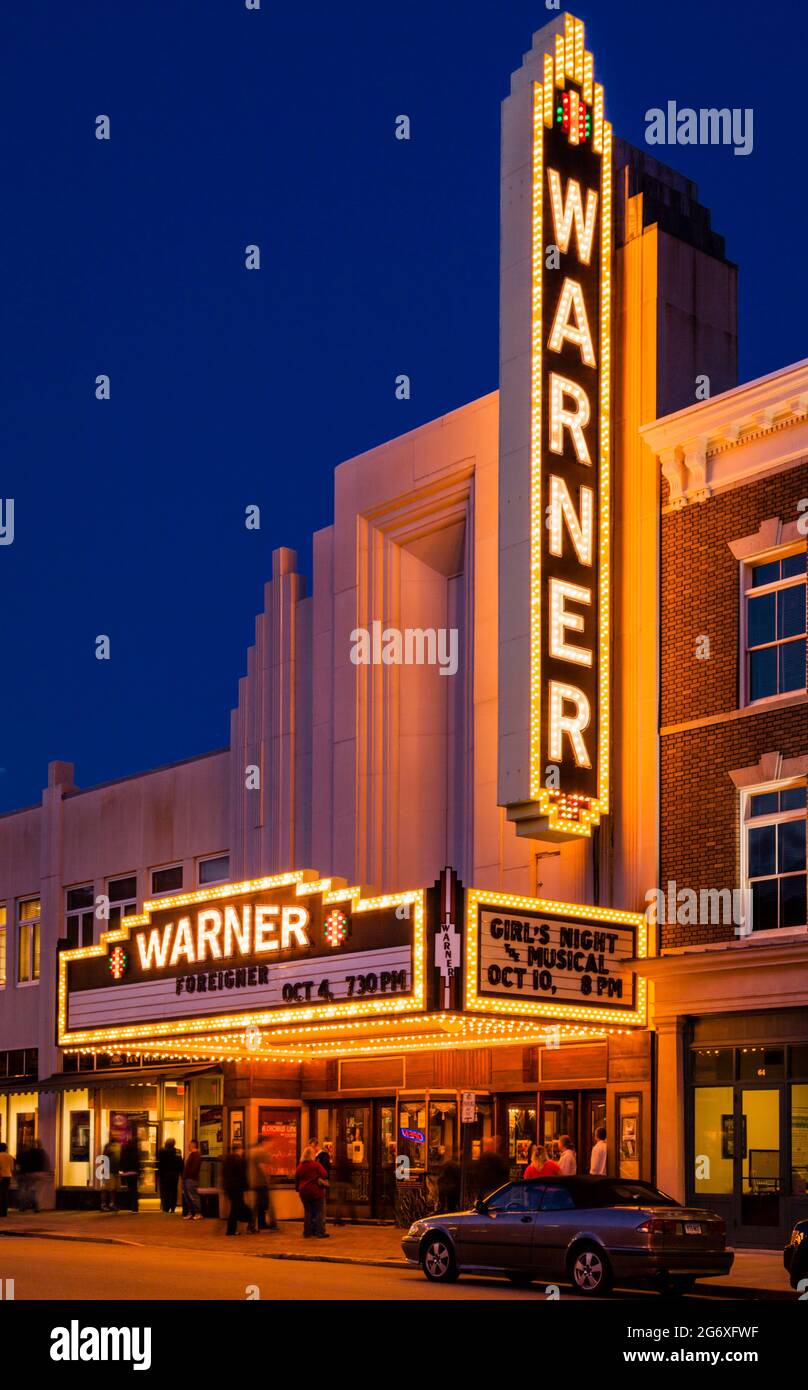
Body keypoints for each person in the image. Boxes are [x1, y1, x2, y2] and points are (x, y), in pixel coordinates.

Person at [294, 1144, 329, 1238]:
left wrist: (298, 1189)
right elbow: (325, 1174)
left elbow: (297, 1179)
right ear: (312, 1155)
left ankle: (307, 1232)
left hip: (304, 1192)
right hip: (315, 1191)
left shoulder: (300, 1166)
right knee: (318, 1212)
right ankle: (320, 1232)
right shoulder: (315, 1165)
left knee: (308, 1212)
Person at [223, 1142, 255, 1236]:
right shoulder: (240, 1160)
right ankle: (232, 1230)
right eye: (241, 1149)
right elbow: (242, 1175)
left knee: (237, 1208)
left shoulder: (227, 1159)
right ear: (238, 1150)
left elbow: (224, 1174)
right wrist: (246, 1187)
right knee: (236, 1209)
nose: (242, 1151)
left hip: (229, 1188)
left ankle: (247, 1224)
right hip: (237, 1188)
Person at [247, 1135, 278, 1231]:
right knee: (266, 1204)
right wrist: (268, 1179)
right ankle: (271, 1224)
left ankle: (260, 1224)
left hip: (254, 1181)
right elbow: (263, 1167)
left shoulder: (252, 1151)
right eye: (270, 1143)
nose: (271, 1145)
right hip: (261, 1182)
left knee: (258, 1204)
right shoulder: (262, 1152)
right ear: (264, 1142)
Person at [472, 1135, 509, 1201]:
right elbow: (504, 1172)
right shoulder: (496, 1158)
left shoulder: (481, 1159)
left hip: (483, 1189)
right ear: (491, 1146)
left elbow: (476, 1174)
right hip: (494, 1189)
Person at [17, 1139, 48, 1212]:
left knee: (27, 1189)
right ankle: (37, 1206)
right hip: (40, 1173)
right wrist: (39, 1143)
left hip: (29, 1174)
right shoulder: (40, 1152)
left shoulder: (27, 1153)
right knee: (39, 1191)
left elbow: (23, 1163)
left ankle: (24, 1204)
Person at [157, 1137, 183, 1213]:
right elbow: (180, 1163)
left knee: (165, 1191)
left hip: (164, 1174)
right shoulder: (178, 1151)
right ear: (174, 1143)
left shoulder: (161, 1151)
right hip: (175, 1174)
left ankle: (165, 1207)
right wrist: (181, 1173)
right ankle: (173, 1207)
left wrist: (159, 1173)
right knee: (174, 1191)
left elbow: (159, 1163)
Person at [119, 1134, 141, 1212]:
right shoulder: (136, 1150)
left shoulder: (124, 1149)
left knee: (130, 1189)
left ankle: (130, 1206)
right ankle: (135, 1207)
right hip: (134, 1172)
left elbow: (122, 1160)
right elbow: (137, 1161)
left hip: (127, 1172)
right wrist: (138, 1170)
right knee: (134, 1189)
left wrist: (122, 1169)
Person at [182, 1139, 203, 1220]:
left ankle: (198, 1213)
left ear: (193, 1145)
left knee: (193, 1196)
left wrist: (188, 1176)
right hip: (187, 1179)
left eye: (189, 1145)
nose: (188, 1146)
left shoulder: (196, 1155)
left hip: (191, 1179)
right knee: (187, 1197)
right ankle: (191, 1212)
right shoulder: (192, 1155)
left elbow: (194, 1168)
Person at [314, 1138, 332, 1231]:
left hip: (320, 1183)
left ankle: (321, 1225)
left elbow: (325, 1170)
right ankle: (317, 1226)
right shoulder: (315, 1156)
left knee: (321, 1205)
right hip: (315, 1184)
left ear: (315, 1145)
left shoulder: (323, 1155)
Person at [100, 1136, 121, 1212]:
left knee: (113, 1188)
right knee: (106, 1188)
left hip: (115, 1170)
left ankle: (111, 1204)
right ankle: (104, 1205)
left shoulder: (115, 1146)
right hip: (108, 1170)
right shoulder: (109, 1146)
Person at [0, 1143, 13, 1217]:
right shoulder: (10, 1156)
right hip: (8, 1176)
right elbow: (12, 1167)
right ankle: (4, 1212)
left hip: (1, 1176)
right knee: (5, 1194)